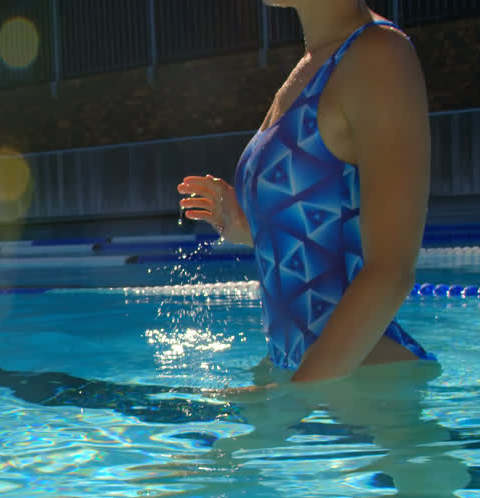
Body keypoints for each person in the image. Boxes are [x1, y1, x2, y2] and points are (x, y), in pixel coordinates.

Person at [178, 0, 434, 390]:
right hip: (314, 385)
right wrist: (247, 226)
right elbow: (323, 237)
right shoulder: (315, 64)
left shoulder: (378, 54)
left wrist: (290, 403)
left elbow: (391, 271)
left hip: (370, 396)